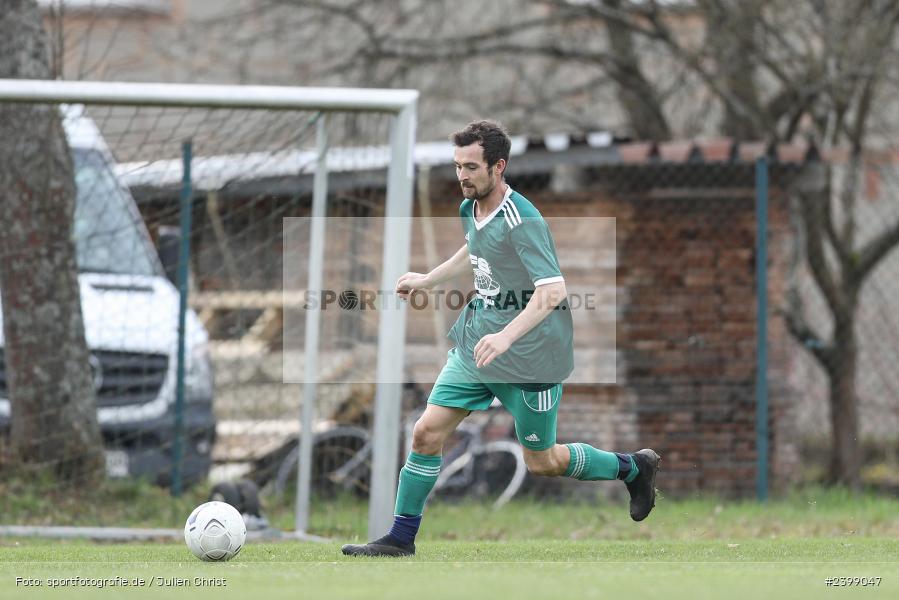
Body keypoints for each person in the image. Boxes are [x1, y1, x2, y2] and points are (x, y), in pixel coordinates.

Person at [342, 120, 659, 558]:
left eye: (471, 166)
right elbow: (474, 249)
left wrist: (507, 337)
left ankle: (632, 467)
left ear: (499, 166)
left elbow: (552, 292)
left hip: (531, 356)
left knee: (542, 462)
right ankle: (400, 538)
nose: (462, 176)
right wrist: (428, 280)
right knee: (426, 433)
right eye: (457, 166)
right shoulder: (468, 207)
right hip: (478, 344)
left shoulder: (522, 219)